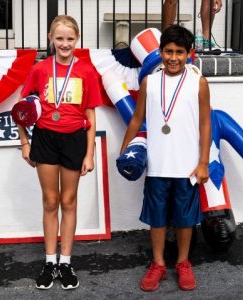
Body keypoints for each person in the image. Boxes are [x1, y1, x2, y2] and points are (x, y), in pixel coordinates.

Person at [120, 25, 211, 291]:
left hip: (187, 165)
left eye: (179, 52)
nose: (173, 57)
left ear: (189, 54)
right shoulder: (150, 81)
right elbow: (137, 118)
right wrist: (125, 149)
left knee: (185, 218)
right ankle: (158, 263)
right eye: (168, 51)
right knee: (157, 217)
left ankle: (183, 262)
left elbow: (205, 124)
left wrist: (203, 161)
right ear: (160, 52)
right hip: (157, 164)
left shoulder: (198, 82)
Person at [17, 15, 102, 290]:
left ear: (77, 40)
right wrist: (25, 143)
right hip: (45, 139)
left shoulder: (87, 71)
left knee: (69, 201)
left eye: (70, 39)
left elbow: (90, 114)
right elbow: (21, 110)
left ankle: (65, 262)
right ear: (51, 39)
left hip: (74, 140)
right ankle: (49, 261)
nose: (65, 44)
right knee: (50, 201)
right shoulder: (40, 69)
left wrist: (89, 154)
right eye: (60, 38)